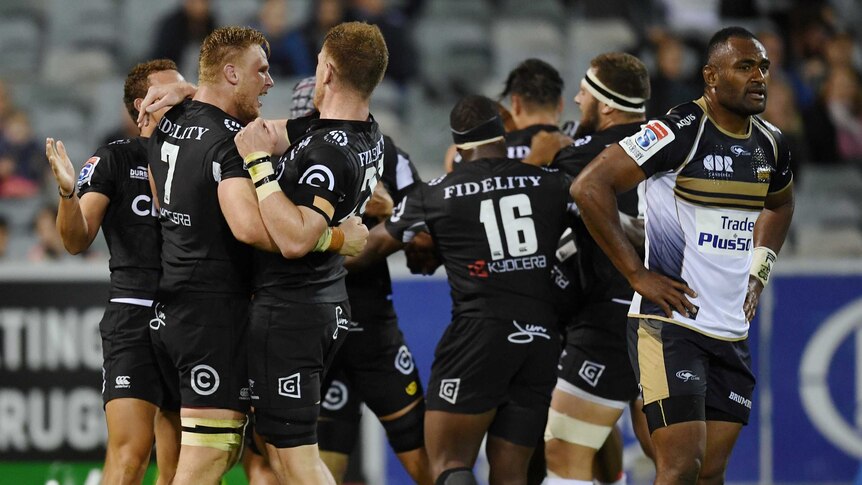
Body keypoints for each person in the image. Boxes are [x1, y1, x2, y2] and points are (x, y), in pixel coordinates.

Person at [570, 27, 794, 484]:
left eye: (764, 68)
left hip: (730, 331)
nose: (759, 78)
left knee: (709, 474)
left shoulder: (771, 143)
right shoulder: (679, 130)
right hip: (668, 325)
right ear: (711, 76)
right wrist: (636, 274)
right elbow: (589, 186)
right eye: (745, 66)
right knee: (679, 468)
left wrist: (759, 271)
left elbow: (781, 204)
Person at [348, 94, 574, 485]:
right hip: (541, 340)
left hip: (478, 337)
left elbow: (369, 250)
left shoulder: (435, 194)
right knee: (512, 475)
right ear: (502, 132)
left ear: (457, 144)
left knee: (448, 464)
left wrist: (312, 246)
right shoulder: (551, 182)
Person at [232, 21, 388, 484]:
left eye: (318, 63)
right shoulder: (360, 130)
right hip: (319, 301)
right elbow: (277, 132)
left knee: (297, 457)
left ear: (329, 73)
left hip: (294, 311)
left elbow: (296, 238)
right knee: (281, 451)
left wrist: (259, 167)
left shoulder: (326, 152)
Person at [279, 76, 432, 485]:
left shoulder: (386, 153)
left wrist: (391, 211)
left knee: (425, 455)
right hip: (312, 327)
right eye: (305, 122)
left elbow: (426, 250)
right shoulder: (283, 159)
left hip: (368, 323)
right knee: (313, 465)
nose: (314, 129)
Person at [145, 27, 279, 485]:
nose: (269, 81)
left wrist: (187, 91)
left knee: (185, 460)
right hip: (211, 315)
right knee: (207, 460)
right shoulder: (232, 141)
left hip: (169, 304)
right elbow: (247, 227)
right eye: (260, 70)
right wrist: (324, 237)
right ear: (230, 72)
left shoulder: (171, 118)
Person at [44, 59, 185, 485]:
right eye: (169, 93)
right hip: (135, 313)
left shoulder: (202, 158)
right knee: (130, 457)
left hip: (192, 316)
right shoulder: (115, 160)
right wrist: (69, 193)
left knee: (184, 470)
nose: (182, 100)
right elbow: (75, 239)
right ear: (142, 106)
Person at [528, 52, 655, 485]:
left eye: (585, 90)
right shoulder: (677, 147)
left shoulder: (580, 157)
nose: (577, 97)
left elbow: (524, 216)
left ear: (605, 104)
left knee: (565, 452)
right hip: (678, 315)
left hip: (611, 317)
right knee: (674, 460)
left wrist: (535, 163)